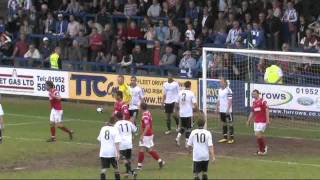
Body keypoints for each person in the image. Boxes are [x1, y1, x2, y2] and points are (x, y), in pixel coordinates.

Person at [137, 102, 165, 170]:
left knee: (142, 149)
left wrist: (142, 135)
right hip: (150, 134)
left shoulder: (145, 116)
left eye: (139, 106)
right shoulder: (147, 112)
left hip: (146, 134)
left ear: (141, 108)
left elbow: (147, 126)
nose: (138, 107)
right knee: (149, 150)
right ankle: (160, 161)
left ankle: (139, 166)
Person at [114, 112, 137, 178]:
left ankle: (132, 172)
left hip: (122, 145)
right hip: (129, 144)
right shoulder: (129, 122)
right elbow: (136, 130)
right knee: (128, 159)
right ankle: (127, 173)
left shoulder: (116, 124)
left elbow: (114, 134)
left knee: (121, 159)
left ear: (116, 118)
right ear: (123, 116)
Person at [246, 89, 270, 155]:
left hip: (262, 121)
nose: (253, 95)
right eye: (252, 94)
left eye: (254, 94)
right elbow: (252, 112)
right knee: (257, 135)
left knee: (258, 134)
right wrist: (248, 120)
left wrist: (268, 120)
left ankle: (264, 148)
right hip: (256, 121)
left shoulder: (263, 101)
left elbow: (267, 109)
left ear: (258, 94)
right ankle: (261, 150)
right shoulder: (254, 103)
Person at [175, 81, 197, 148]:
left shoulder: (180, 92)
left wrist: (177, 111)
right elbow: (195, 104)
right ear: (190, 86)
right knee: (188, 128)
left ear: (184, 86)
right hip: (188, 113)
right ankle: (187, 143)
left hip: (182, 113)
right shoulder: (191, 93)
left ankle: (177, 137)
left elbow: (176, 103)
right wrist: (198, 110)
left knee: (183, 127)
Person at [216, 78, 234, 144]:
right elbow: (218, 99)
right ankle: (225, 138)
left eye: (221, 82)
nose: (220, 83)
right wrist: (217, 107)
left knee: (230, 123)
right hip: (222, 110)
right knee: (224, 123)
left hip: (228, 110)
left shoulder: (228, 90)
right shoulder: (219, 90)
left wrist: (228, 109)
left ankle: (231, 138)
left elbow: (230, 100)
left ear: (225, 83)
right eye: (220, 82)